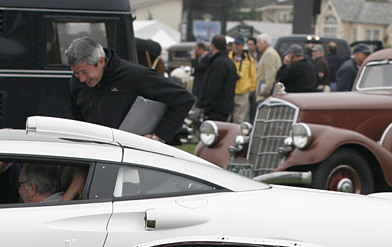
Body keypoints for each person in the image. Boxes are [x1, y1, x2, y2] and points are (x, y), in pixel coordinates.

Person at [65, 36, 195, 144]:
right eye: (76, 73)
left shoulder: (135, 76)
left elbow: (183, 99)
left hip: (129, 152)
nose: (81, 79)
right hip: (94, 150)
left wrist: (158, 136)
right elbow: (75, 114)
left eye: (84, 72)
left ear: (101, 61)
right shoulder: (77, 82)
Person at [195, 34, 237, 122]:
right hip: (227, 107)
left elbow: (214, 87)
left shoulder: (218, 63)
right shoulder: (230, 62)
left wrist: (207, 109)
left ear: (213, 46)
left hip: (216, 109)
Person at [18, 164, 86, 203]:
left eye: (19, 185)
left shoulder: (40, 214)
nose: (18, 190)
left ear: (32, 188)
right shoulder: (64, 202)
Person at [230, 36, 256, 124]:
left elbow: (253, 75)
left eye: (238, 45)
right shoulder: (229, 58)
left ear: (242, 46)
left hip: (243, 93)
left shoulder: (248, 60)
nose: (236, 47)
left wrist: (251, 89)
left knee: (239, 119)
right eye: (234, 44)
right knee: (228, 117)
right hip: (230, 92)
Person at [254, 33, 281, 106]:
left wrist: (266, 90)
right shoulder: (271, 52)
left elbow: (270, 73)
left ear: (265, 43)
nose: (257, 45)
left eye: (259, 42)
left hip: (266, 95)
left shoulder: (268, 54)